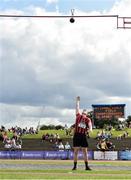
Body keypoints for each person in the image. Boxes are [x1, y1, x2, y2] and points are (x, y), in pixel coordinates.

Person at [72, 96, 92, 170]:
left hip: (82, 135)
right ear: (82, 113)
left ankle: (86, 166)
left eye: (85, 113)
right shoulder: (79, 116)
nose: (84, 114)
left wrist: (90, 129)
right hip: (77, 135)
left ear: (86, 114)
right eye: (83, 113)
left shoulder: (87, 119)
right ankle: (75, 166)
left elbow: (90, 124)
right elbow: (77, 108)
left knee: (84, 152)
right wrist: (77, 101)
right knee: (77, 151)